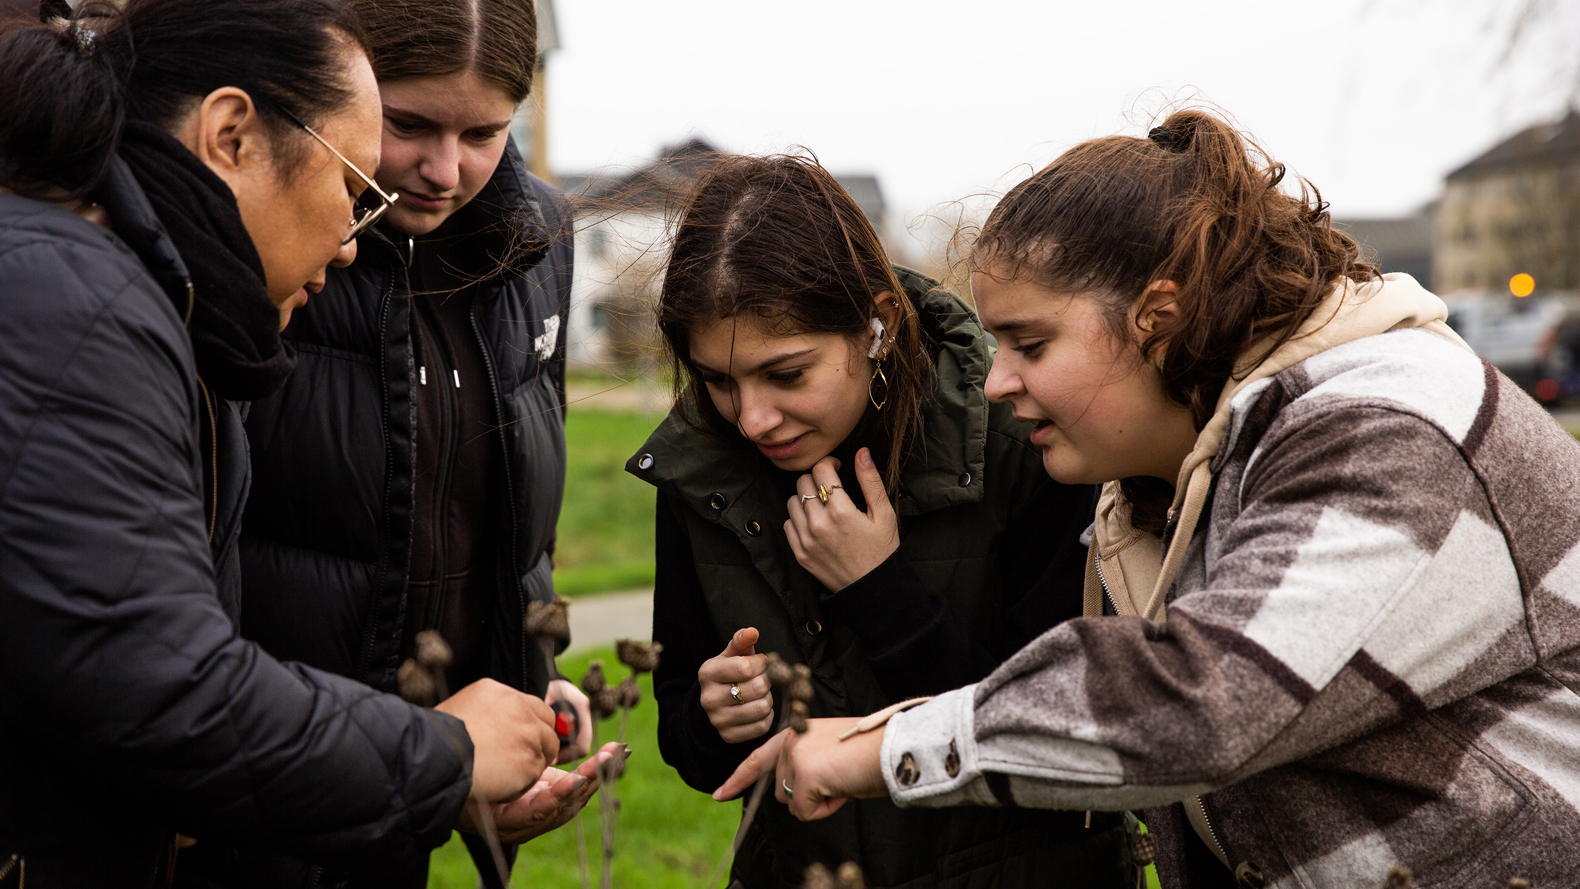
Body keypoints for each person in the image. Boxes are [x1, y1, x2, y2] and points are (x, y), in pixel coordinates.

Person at [720, 109, 1580, 887]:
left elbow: (1208, 699)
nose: (997, 383)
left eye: (1029, 342)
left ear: (1156, 316)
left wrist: (880, 749)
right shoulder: (1166, 475)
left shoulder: (1391, 426)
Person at [0, 1, 610, 885]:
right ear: (232, 135)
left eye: (484, 131)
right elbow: (167, 690)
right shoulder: (80, 309)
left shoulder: (113, 290)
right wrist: (445, 752)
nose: (356, 241)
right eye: (354, 189)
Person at [630, 154, 1134, 887]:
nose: (752, 418)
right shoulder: (700, 465)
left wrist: (879, 590)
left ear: (878, 325)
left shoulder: (1028, 440)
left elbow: (1056, 735)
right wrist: (715, 717)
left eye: (787, 372)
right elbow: (689, 744)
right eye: (717, 380)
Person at [221, 0, 584, 885]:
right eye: (408, 124)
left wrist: (527, 683)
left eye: (486, 132)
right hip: (254, 788)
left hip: (423, 783)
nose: (443, 169)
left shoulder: (539, 239)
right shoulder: (268, 235)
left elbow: (505, 504)